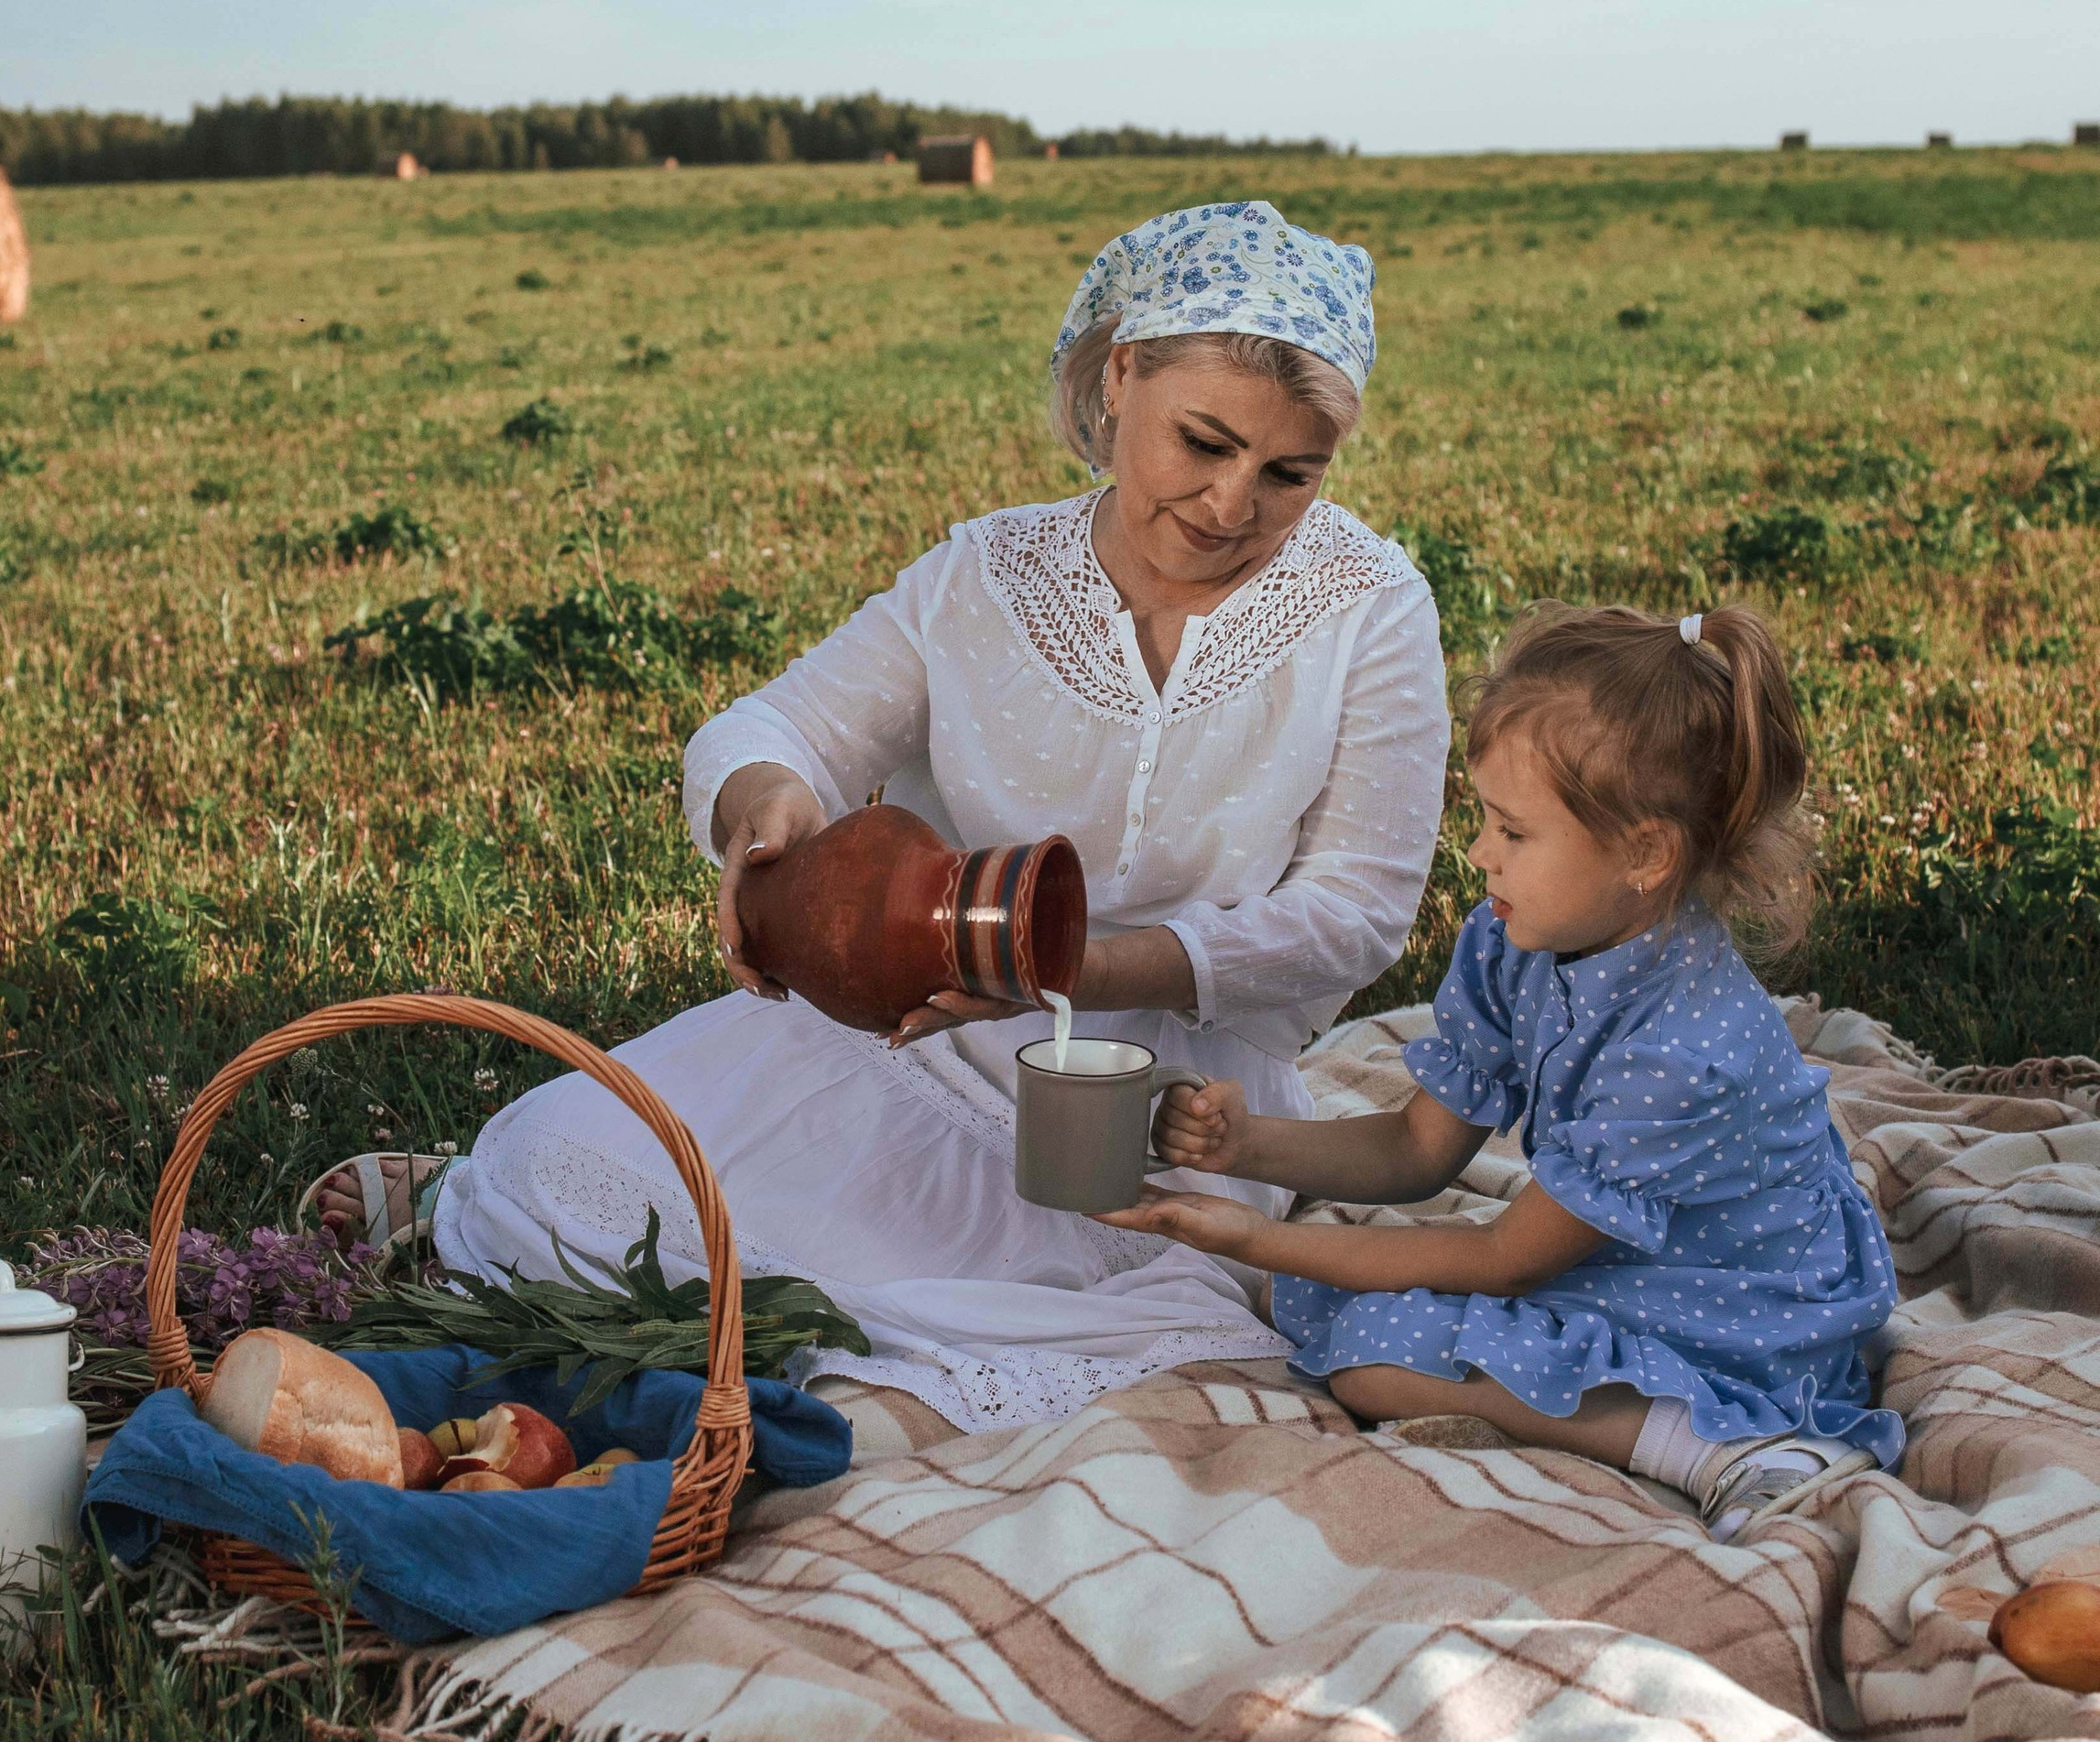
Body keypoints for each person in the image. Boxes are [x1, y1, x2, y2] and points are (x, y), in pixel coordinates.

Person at [317, 198, 1450, 1433]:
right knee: (559, 1160)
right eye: (1204, 443)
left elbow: (1358, 912)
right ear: (1121, 376)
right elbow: (775, 730)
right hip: (902, 1041)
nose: (1234, 504)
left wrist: (1063, 967)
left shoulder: (1370, 605)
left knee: (1029, 1298)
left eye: (1290, 473)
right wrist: (770, 813)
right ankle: (531, 1225)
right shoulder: (985, 574)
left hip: (1161, 1108)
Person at [1108, 601, 1901, 1538]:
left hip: (1750, 1304)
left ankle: (1731, 1445)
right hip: (1618, 1255)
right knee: (1334, 1309)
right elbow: (1417, 1149)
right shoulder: (1511, 938)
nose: (1479, 852)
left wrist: (1245, 1239)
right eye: (1484, 818)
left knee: (1370, 1351)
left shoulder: (1682, 1052)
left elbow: (1501, 1261)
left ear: (1645, 854)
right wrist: (1246, 1147)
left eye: (1514, 832)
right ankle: (1595, 1409)